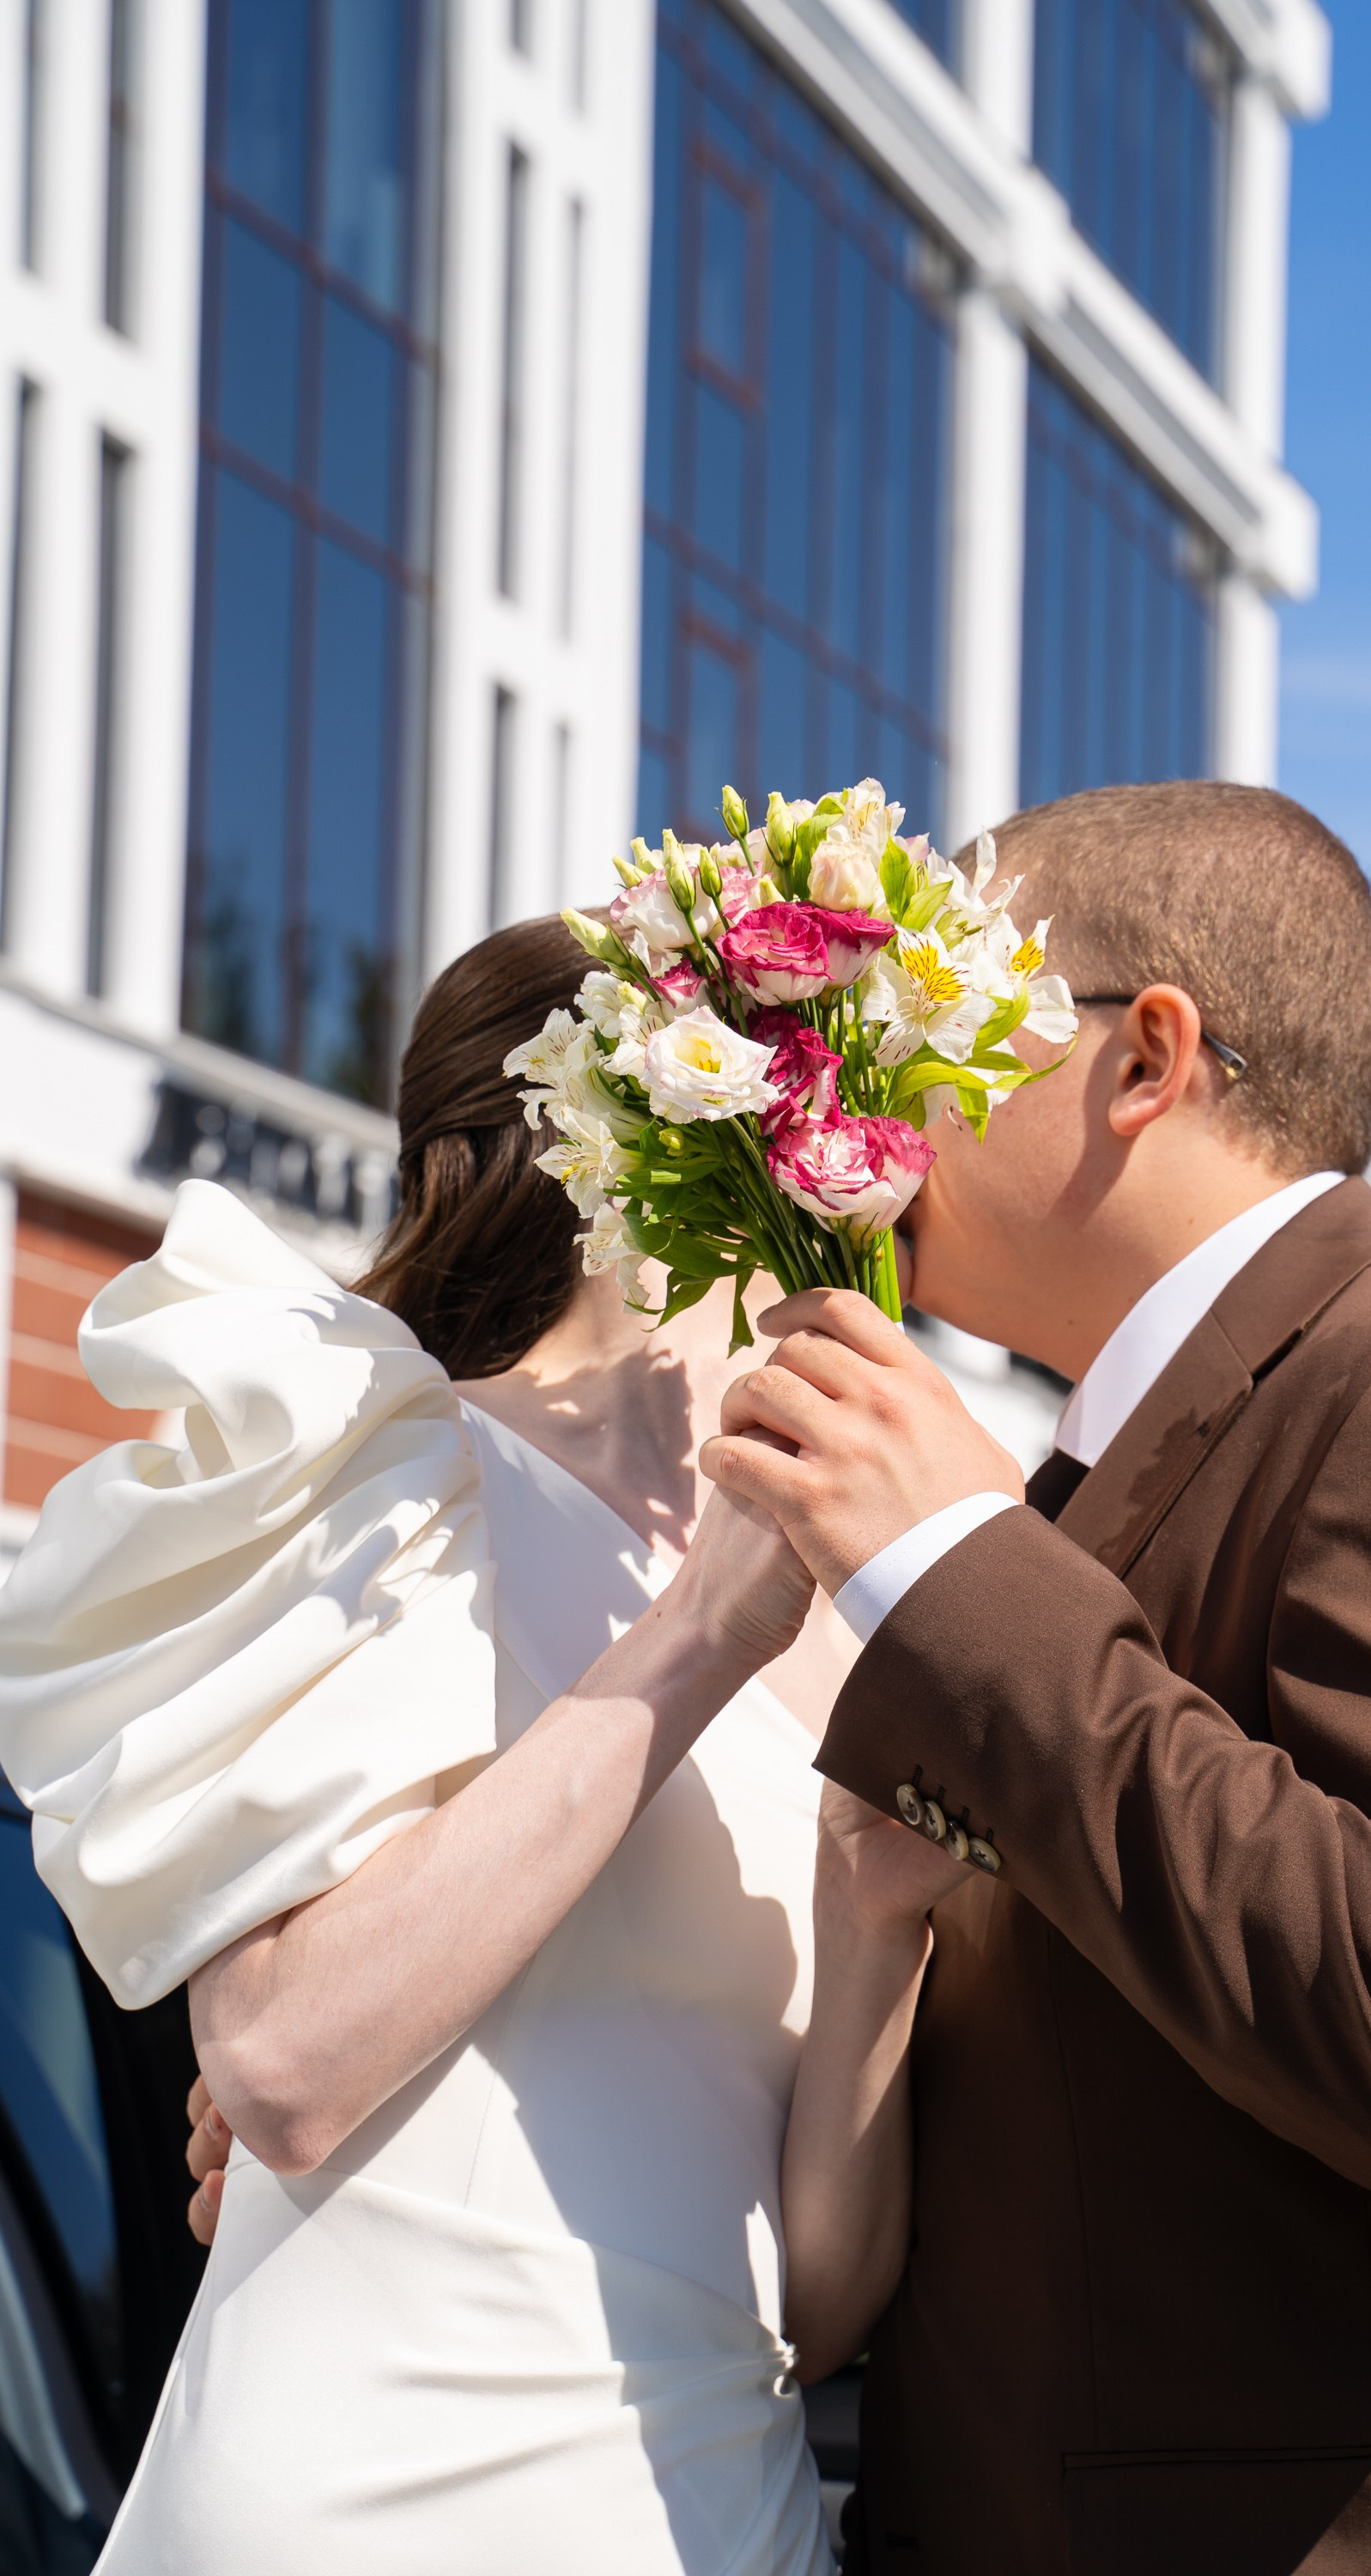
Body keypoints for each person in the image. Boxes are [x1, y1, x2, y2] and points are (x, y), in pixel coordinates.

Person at [707, 784, 1371, 2575]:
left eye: (933, 1019)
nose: (862, 1094)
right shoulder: (1094, 1480)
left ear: (1146, 1057)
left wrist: (964, 1578)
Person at [0, 917, 950, 2576]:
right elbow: (287, 2065)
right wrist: (692, 1644)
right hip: (368, 2497)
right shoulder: (393, 1460)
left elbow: (816, 2294)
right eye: (822, 1131)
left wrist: (880, 1930)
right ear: (656, 1154)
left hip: (712, 2510)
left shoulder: (840, 1620)